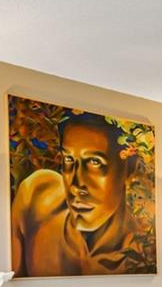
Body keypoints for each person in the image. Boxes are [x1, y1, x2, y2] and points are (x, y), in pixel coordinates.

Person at [12, 111, 149, 275]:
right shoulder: (37, 195)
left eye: (94, 162)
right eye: (69, 159)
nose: (75, 186)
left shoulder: (144, 255)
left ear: (129, 170)